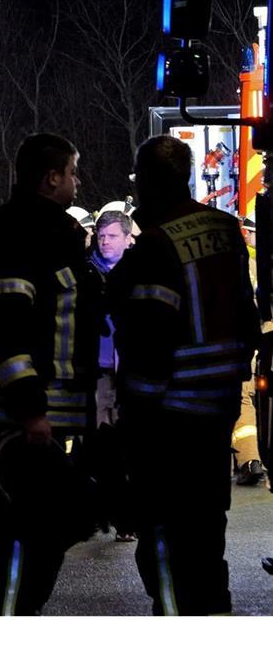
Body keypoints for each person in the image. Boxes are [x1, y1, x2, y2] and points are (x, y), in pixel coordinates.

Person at [108, 135, 260, 615]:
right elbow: (246, 317)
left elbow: (146, 339)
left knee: (163, 544)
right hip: (217, 411)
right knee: (205, 535)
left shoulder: (154, 244)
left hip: (166, 420)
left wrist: (133, 420)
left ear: (151, 180)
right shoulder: (224, 228)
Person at [0, 132, 102, 615]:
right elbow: (8, 328)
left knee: (48, 542)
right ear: (51, 178)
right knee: (20, 550)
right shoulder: (18, 233)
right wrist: (30, 413)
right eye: (72, 171)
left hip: (45, 420)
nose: (77, 180)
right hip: (19, 425)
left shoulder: (48, 232)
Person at [86, 210, 136, 542]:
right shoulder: (87, 272)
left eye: (112, 236)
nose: (105, 241)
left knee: (130, 445)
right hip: (99, 370)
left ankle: (126, 514)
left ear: (128, 238)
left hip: (133, 368)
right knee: (102, 443)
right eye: (101, 236)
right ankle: (112, 514)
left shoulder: (140, 271)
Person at [232, 217, 268, 486]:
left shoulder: (238, 265)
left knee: (243, 400)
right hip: (263, 341)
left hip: (249, 343)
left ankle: (250, 460)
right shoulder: (256, 264)